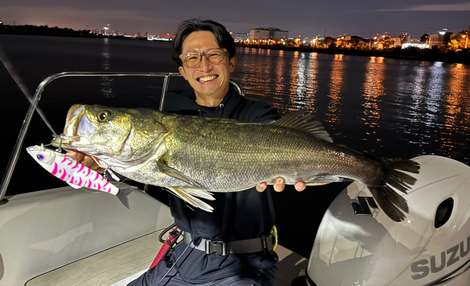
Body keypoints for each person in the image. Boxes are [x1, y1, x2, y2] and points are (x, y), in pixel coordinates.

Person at [71, 18, 305, 285]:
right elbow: (142, 166)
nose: (204, 66)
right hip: (183, 255)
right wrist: (101, 166)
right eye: (193, 58)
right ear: (182, 70)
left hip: (245, 264)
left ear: (231, 62)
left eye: (214, 55)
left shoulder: (255, 115)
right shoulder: (167, 117)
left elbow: (275, 131)